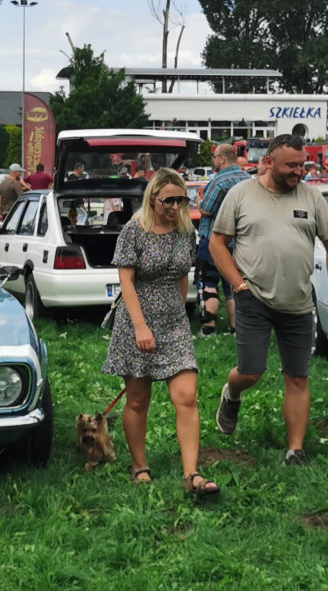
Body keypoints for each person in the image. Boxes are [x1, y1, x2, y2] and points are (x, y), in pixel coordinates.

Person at [210, 134, 328, 466]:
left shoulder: (312, 196)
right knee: (252, 371)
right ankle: (232, 393)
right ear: (269, 162)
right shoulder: (241, 194)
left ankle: (295, 450)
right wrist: (237, 284)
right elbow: (218, 243)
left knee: (298, 376)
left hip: (299, 302)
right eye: (290, 165)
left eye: (302, 165)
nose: (298, 171)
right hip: (253, 297)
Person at [101, 168, 219, 497]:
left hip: (174, 324)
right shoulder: (133, 231)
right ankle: (140, 466)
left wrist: (180, 313)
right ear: (153, 199)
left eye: (181, 200)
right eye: (169, 200)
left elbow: (182, 275)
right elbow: (126, 281)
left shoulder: (185, 232)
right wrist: (141, 326)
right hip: (136, 321)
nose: (175, 206)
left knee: (187, 398)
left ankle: (191, 474)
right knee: (138, 400)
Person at [197, 144, 250, 338]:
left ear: (221, 158)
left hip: (213, 241)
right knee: (234, 286)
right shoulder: (248, 180)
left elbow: (206, 209)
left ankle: (208, 328)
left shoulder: (219, 180)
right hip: (240, 244)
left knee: (208, 282)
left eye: (214, 157)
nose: (213, 161)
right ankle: (237, 329)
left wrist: (198, 203)